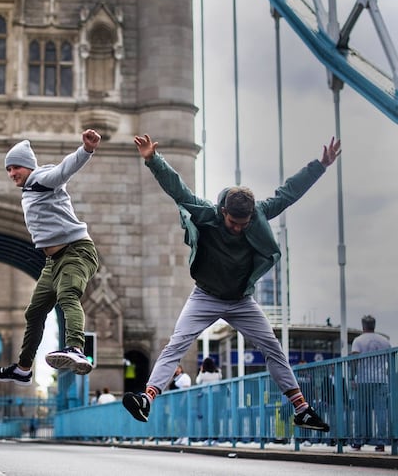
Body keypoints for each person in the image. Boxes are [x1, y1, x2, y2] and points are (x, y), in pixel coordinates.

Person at [122, 134, 341, 433]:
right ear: (223, 211)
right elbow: (178, 190)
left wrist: (321, 165)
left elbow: (289, 192)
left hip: (241, 300)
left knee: (272, 347)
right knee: (177, 344)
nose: (239, 228)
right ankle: (147, 399)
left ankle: (302, 409)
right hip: (205, 296)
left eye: (244, 223)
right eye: (233, 223)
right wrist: (152, 159)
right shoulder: (208, 214)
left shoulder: (259, 213)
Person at [0, 130, 101, 386]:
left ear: (28, 166)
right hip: (53, 262)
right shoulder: (29, 189)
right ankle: (24, 368)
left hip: (76, 250)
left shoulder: (43, 179)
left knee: (68, 295)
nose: (11, 174)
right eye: (8, 169)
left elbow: (64, 170)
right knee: (34, 312)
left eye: (15, 167)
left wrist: (86, 150)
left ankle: (75, 348)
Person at [350, 315, 391, 452]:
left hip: (363, 380)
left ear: (363, 326)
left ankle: (358, 440)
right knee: (381, 412)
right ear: (374, 325)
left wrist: (352, 378)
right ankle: (381, 441)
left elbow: (354, 360)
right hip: (381, 380)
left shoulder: (358, 340)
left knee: (360, 411)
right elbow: (389, 361)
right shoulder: (384, 341)